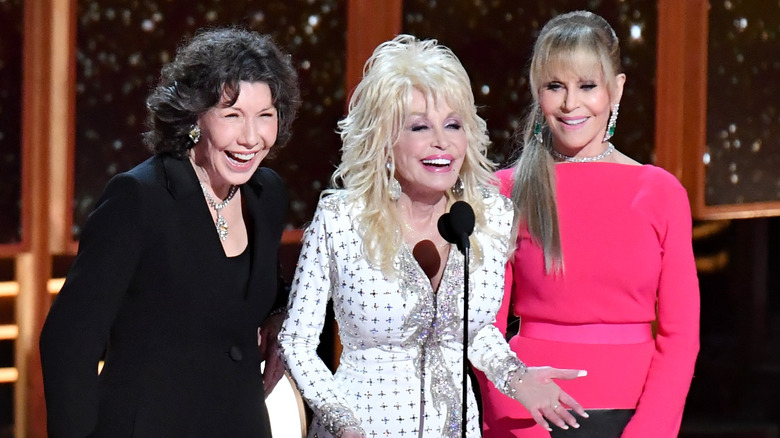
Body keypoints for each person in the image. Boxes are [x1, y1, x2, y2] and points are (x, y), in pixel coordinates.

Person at [278, 34, 588, 438]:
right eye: (420, 127)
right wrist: (343, 423)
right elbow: (297, 342)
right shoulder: (342, 218)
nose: (442, 141)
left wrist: (518, 379)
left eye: (453, 124)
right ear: (385, 140)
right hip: (363, 428)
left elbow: (476, 331)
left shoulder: (488, 216)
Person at [39, 27, 300, 437]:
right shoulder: (140, 198)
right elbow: (68, 342)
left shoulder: (267, 194)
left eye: (265, 115)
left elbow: (255, 289)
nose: (251, 138)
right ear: (194, 115)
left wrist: (278, 316)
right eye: (232, 115)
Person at [476, 10, 700, 438]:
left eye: (587, 86)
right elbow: (484, 326)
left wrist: (648, 432)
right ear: (536, 92)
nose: (570, 103)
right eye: (555, 86)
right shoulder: (504, 190)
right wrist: (515, 418)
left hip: (634, 415)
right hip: (526, 416)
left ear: (616, 90)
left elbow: (681, 335)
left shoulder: (660, 192)